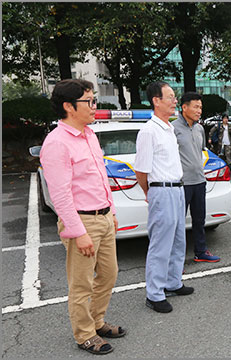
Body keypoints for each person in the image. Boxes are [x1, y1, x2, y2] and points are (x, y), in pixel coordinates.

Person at [40, 79, 124, 355]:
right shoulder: (57, 143)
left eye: (94, 100)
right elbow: (60, 195)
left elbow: (101, 178)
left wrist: (110, 211)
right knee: (81, 284)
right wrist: (79, 232)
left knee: (109, 274)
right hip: (82, 221)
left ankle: (97, 321)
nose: (94, 106)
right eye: (88, 101)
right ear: (68, 106)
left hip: (102, 217)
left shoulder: (89, 135)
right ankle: (85, 334)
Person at [134, 81, 194, 314]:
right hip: (162, 189)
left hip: (177, 189)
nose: (174, 101)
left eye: (174, 97)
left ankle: (173, 282)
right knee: (160, 243)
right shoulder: (149, 131)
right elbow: (141, 170)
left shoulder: (168, 128)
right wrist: (151, 192)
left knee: (179, 239)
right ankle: (154, 293)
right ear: (156, 101)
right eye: (169, 97)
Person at [174, 92, 220, 263]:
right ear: (184, 107)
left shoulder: (200, 128)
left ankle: (201, 252)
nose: (199, 110)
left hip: (199, 181)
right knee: (178, 223)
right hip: (181, 184)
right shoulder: (173, 129)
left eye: (200, 107)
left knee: (199, 220)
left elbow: (200, 152)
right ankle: (176, 261)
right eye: (196, 107)